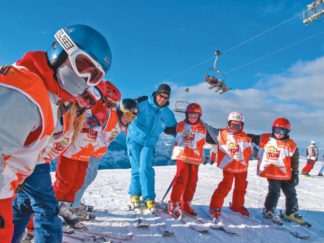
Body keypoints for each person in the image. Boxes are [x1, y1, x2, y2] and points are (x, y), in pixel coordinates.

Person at [0, 24, 111, 243]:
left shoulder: (46, 94)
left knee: (24, 206)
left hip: (8, 190)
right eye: (82, 65)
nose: (85, 79)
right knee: (45, 207)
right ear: (60, 51)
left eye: (94, 76)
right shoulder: (25, 89)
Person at [60, 98, 139, 221]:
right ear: (121, 110)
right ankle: (71, 206)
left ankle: (73, 202)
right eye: (128, 114)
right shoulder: (110, 115)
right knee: (81, 179)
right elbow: (92, 116)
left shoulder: (119, 122)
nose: (130, 118)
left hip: (95, 152)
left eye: (133, 117)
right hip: (87, 150)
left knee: (86, 177)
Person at [127, 84, 177, 212]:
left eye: (166, 97)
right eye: (161, 96)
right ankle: (135, 195)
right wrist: (132, 104)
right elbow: (123, 112)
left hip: (149, 143)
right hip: (134, 140)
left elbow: (175, 129)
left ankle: (149, 198)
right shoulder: (142, 104)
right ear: (156, 94)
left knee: (145, 168)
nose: (163, 99)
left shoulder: (168, 113)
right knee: (137, 168)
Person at [249, 118, 307, 225]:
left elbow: (295, 160)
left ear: (287, 132)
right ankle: (269, 210)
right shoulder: (265, 139)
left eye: (282, 131)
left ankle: (290, 212)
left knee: (291, 192)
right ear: (273, 129)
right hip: (271, 172)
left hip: (285, 173)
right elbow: (250, 137)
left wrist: (295, 173)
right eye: (276, 130)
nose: (278, 134)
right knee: (274, 191)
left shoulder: (291, 144)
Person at [167, 103, 217, 217]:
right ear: (186, 115)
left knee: (192, 181)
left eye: (195, 115)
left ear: (199, 115)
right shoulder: (180, 126)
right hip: (182, 156)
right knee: (181, 179)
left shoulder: (204, 128)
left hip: (195, 158)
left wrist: (216, 149)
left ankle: (186, 203)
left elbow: (212, 139)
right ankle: (174, 203)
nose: (192, 117)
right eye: (190, 115)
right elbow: (166, 129)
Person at [209, 112, 252, 221]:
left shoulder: (246, 137)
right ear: (228, 124)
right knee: (226, 185)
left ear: (242, 126)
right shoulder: (222, 134)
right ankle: (215, 207)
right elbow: (209, 129)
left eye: (238, 126)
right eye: (232, 125)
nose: (234, 128)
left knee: (241, 187)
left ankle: (237, 206)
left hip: (242, 167)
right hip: (229, 166)